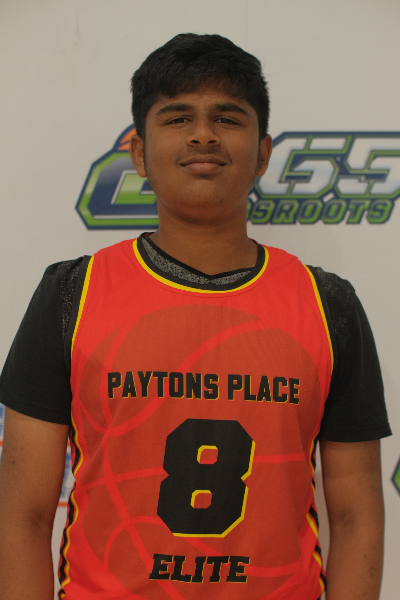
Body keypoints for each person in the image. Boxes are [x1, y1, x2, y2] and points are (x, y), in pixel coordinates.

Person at [0, 33, 391, 600]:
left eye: (227, 118)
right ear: (138, 153)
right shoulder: (70, 294)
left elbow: (356, 518)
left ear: (263, 153)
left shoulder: (329, 305)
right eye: (178, 117)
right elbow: (24, 514)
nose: (203, 134)